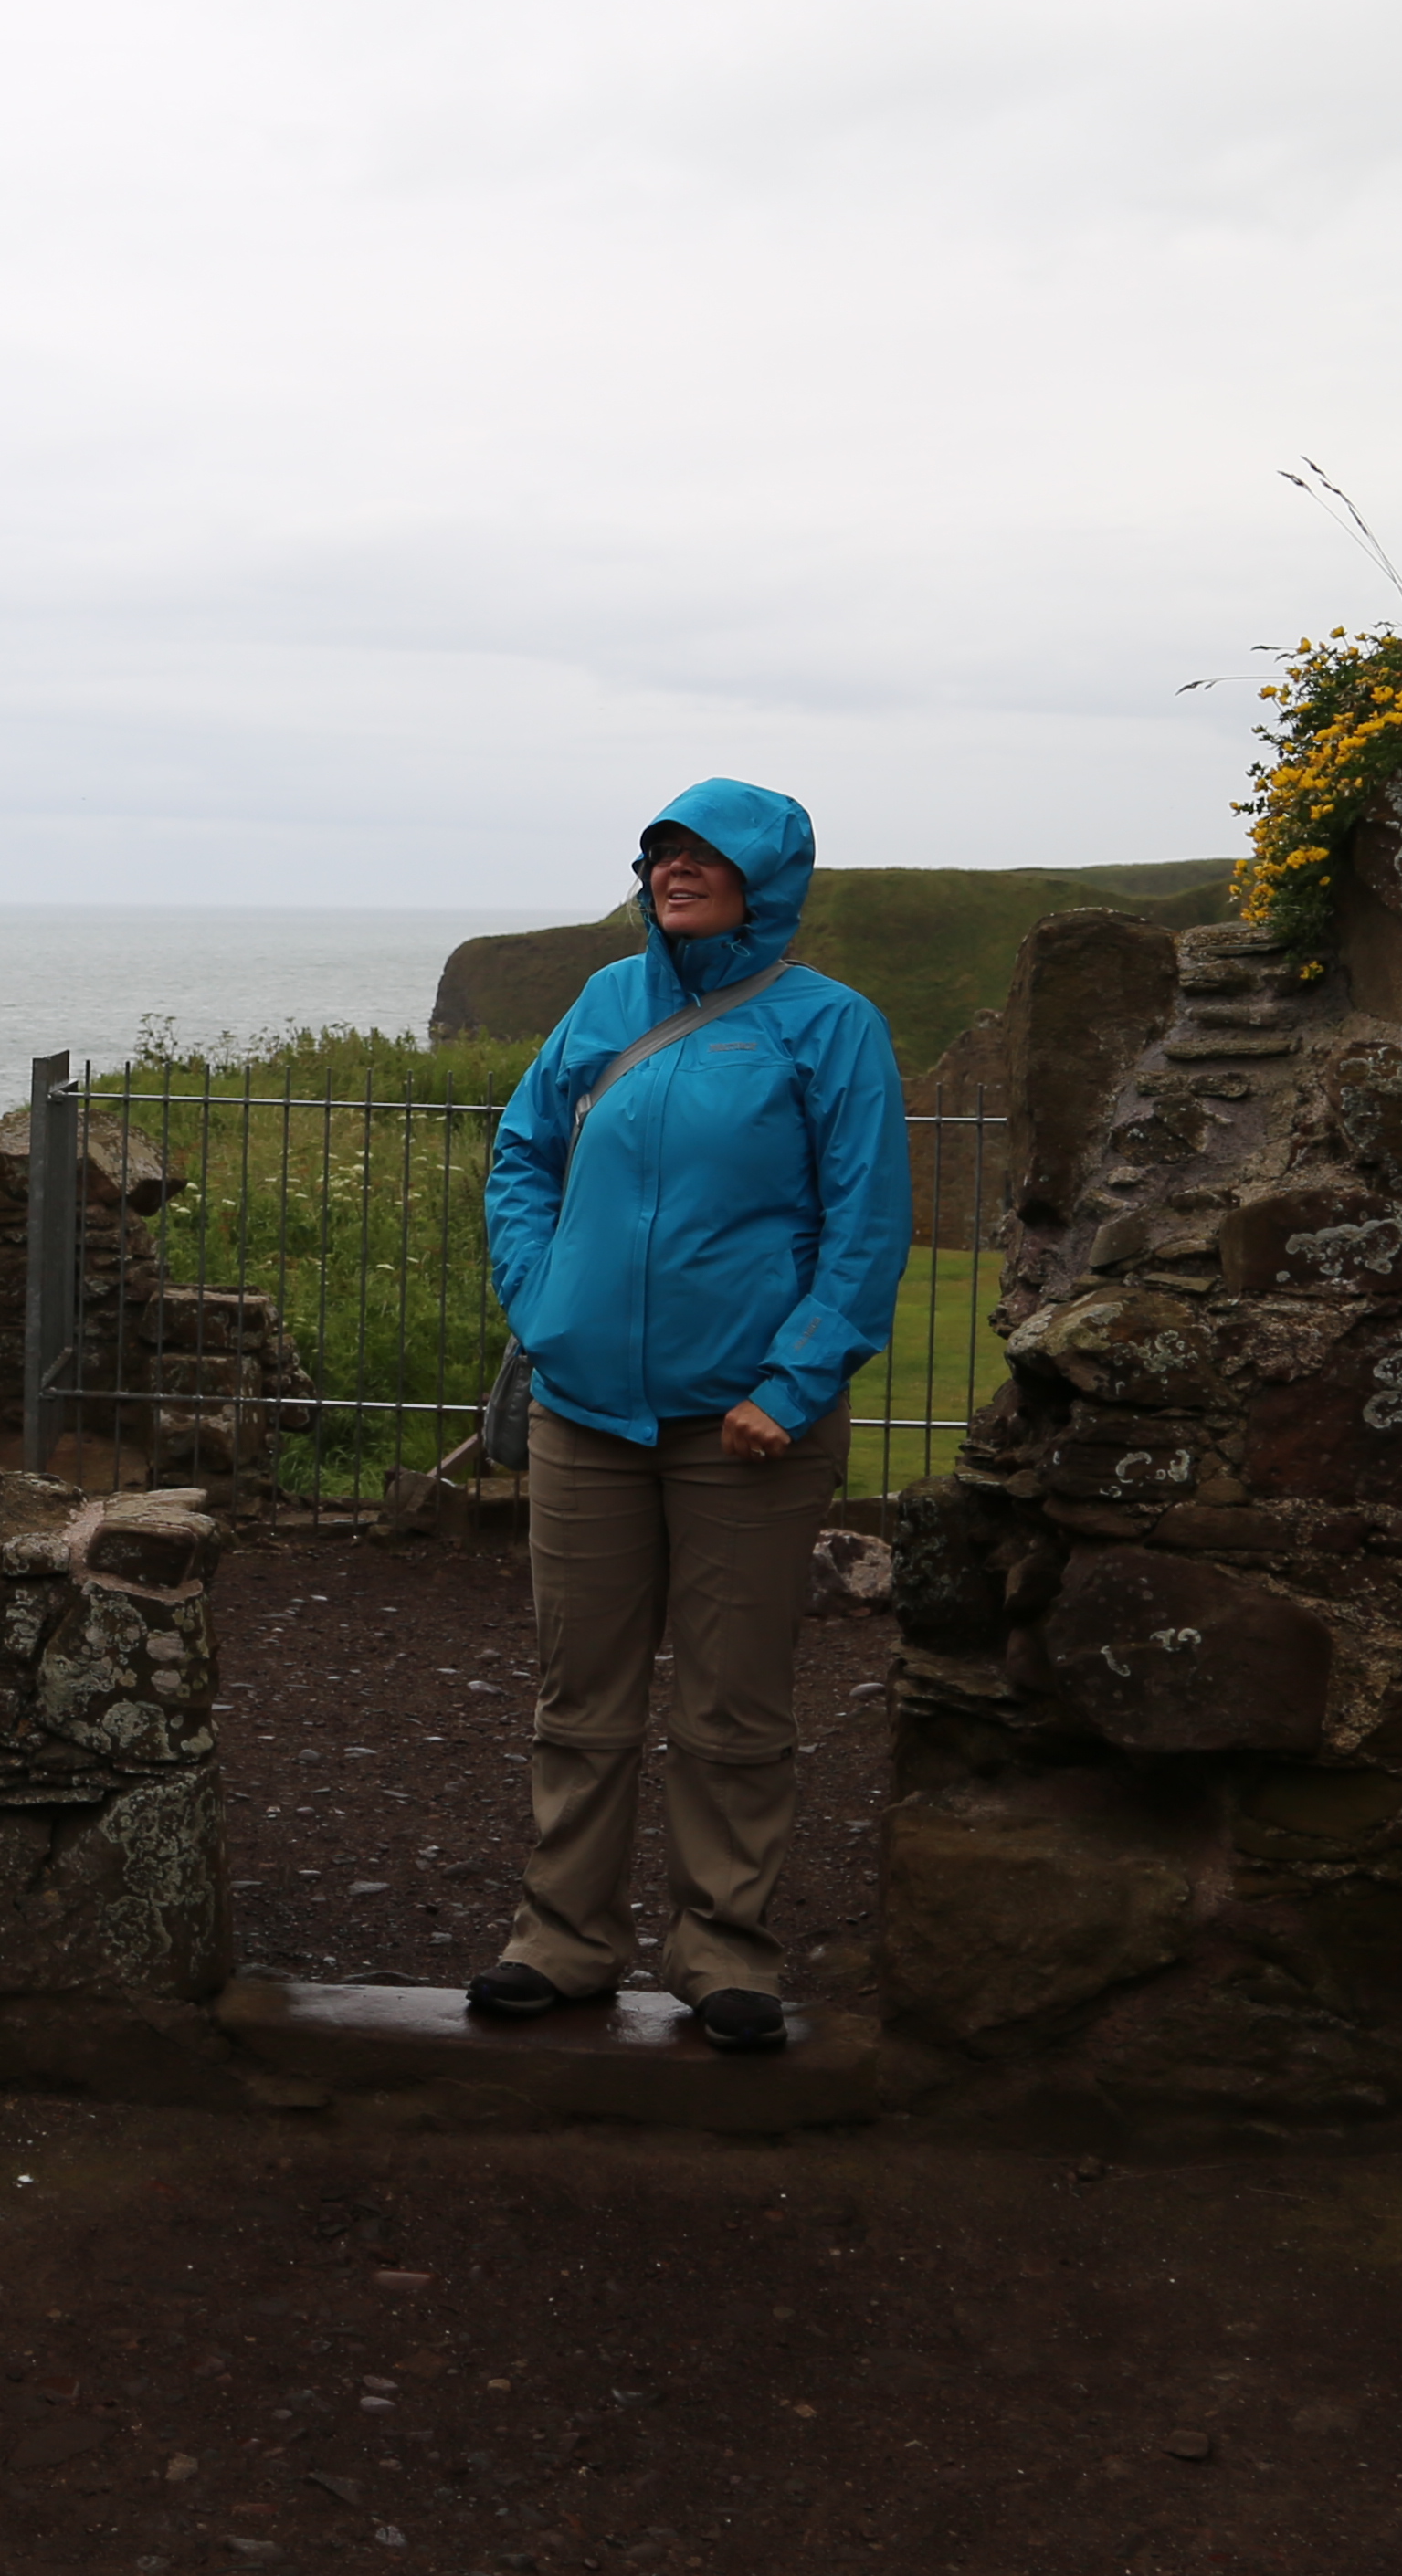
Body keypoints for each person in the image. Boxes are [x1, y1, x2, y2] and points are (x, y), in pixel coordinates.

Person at [469, 779, 912, 2053]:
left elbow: (866, 1225)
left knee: (732, 1705)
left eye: (704, 855)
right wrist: (545, 1298)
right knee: (579, 1694)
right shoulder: (608, 1004)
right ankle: (561, 1941)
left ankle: (726, 1953)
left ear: (768, 876)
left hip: (745, 1428)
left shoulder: (830, 1027)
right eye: (662, 851)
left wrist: (793, 1382)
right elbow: (523, 1155)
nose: (674, 870)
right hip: (585, 1409)